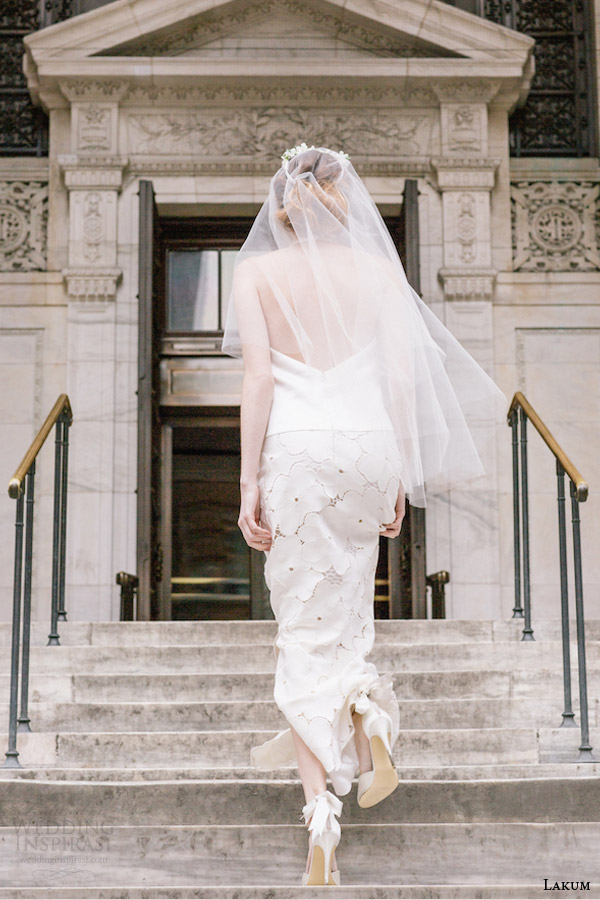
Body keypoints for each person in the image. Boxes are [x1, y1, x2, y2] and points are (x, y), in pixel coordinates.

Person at [220, 143, 507, 886]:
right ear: (345, 203)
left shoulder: (253, 272)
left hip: (298, 455)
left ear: (281, 203)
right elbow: (402, 377)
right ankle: (370, 723)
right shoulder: (380, 274)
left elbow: (258, 377)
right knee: (347, 615)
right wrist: (401, 475)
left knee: (303, 633)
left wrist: (247, 480)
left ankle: (320, 812)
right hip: (368, 451)